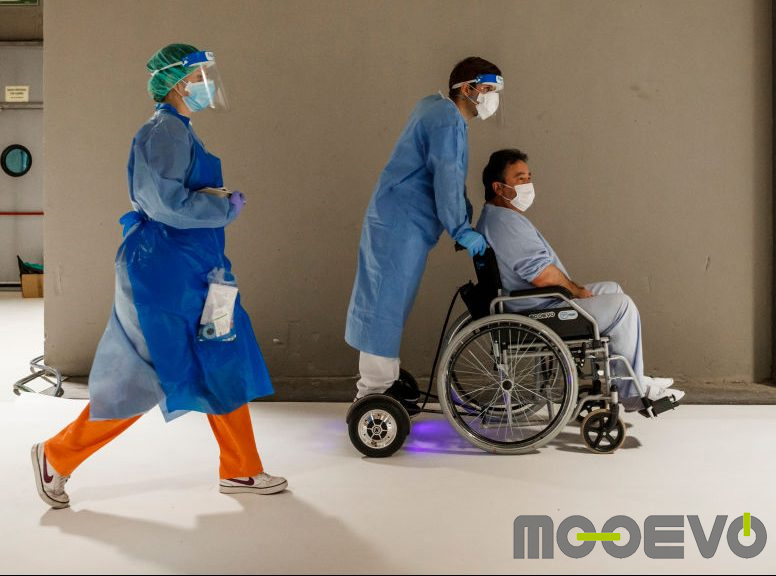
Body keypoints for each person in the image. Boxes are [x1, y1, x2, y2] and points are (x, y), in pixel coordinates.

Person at [31, 43, 286, 510]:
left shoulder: (180, 131)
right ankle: (56, 456)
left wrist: (216, 204)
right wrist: (222, 207)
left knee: (221, 355)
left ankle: (241, 468)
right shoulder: (163, 131)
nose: (207, 84)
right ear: (178, 83)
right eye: (199, 76)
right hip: (163, 274)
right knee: (141, 378)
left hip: (198, 267)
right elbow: (163, 203)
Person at [345, 57, 503, 412]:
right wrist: (461, 228)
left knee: (387, 303)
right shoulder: (446, 120)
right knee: (384, 305)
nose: (492, 98)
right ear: (467, 89)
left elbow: (451, 177)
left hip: (400, 223)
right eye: (488, 89)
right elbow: (445, 178)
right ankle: (371, 391)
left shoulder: (439, 111)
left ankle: (382, 381)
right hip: (399, 225)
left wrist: (463, 218)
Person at [475, 148, 685, 411]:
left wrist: (574, 290)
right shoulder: (504, 223)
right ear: (498, 187)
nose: (528, 185)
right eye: (520, 179)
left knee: (613, 289)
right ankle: (632, 392)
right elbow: (541, 275)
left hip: (541, 301)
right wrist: (575, 290)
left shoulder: (499, 217)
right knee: (622, 306)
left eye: (529, 178)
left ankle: (631, 376)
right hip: (538, 309)